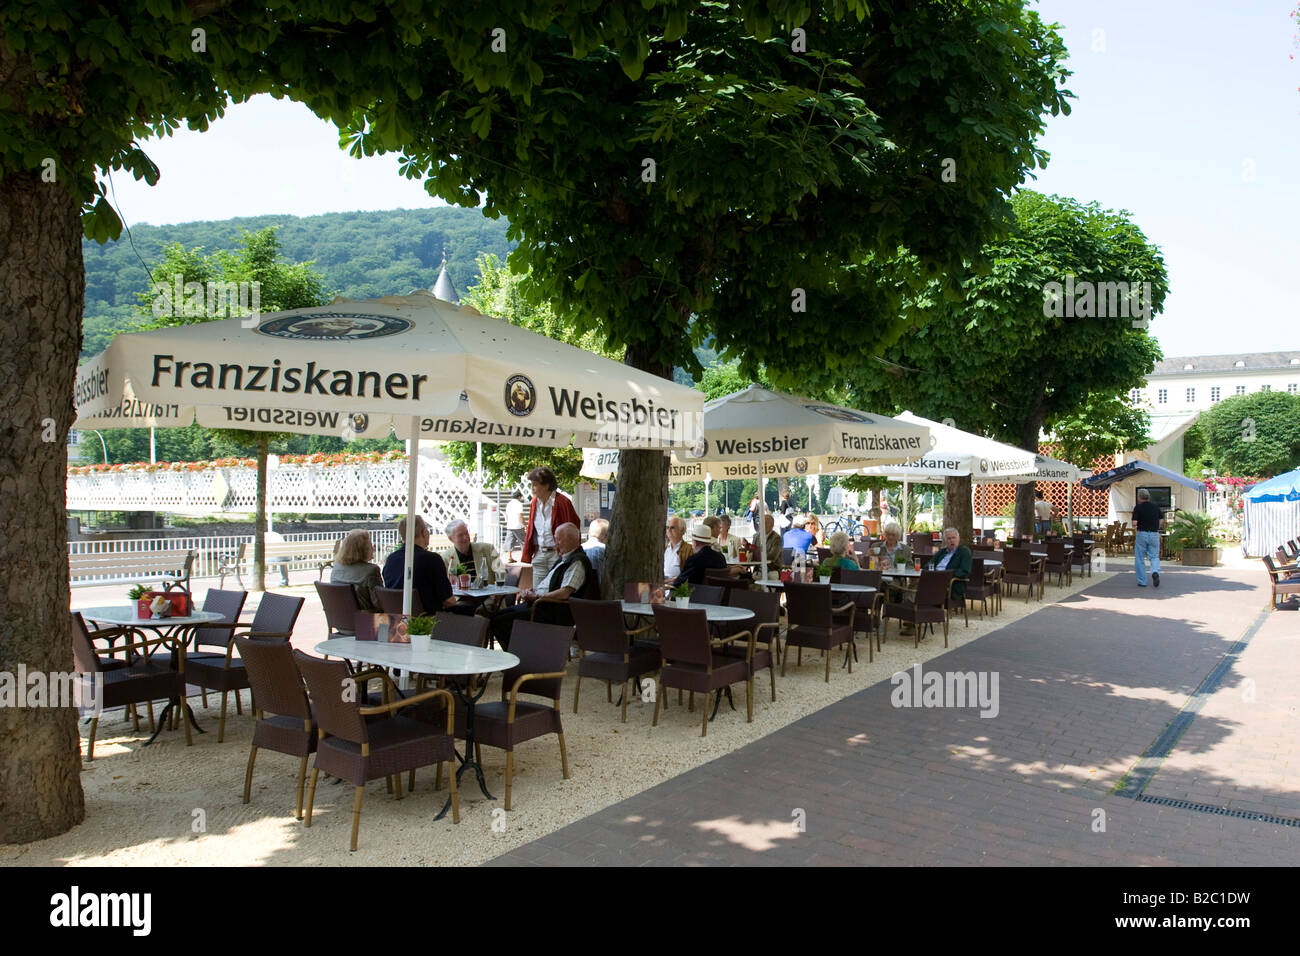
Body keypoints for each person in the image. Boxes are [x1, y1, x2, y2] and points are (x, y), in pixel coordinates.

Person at [491, 523, 597, 648]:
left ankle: (520, 657)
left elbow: (564, 593)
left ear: (571, 539)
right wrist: (531, 591)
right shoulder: (564, 559)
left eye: (558, 539)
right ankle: (517, 654)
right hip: (540, 604)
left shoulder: (578, 562)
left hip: (552, 612)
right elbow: (550, 584)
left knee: (501, 622)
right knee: (496, 617)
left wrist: (536, 597)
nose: (556, 543)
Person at [381, 515, 464, 615]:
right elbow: (449, 601)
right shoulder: (432, 559)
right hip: (430, 622)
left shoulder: (391, 559)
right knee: (478, 615)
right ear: (423, 533)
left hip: (398, 622)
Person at [521, 466, 580, 589]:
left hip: (556, 554)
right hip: (540, 554)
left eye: (535, 485)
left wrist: (566, 553)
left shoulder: (562, 502)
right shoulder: (534, 502)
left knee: (554, 590)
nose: (532, 489)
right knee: (537, 592)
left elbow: (572, 527)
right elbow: (533, 529)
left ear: (547, 486)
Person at [438, 518, 506, 584]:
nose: (466, 537)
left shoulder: (488, 549)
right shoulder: (445, 558)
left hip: (487, 594)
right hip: (460, 595)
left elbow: (501, 570)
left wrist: (498, 591)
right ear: (451, 539)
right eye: (460, 535)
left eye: (466, 533)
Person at [330, 529, 383, 613]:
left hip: (341, 620)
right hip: (367, 620)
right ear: (363, 549)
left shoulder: (336, 568)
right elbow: (379, 603)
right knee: (402, 620)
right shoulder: (371, 570)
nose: (373, 548)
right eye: (370, 545)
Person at [1131, 488, 1166, 588]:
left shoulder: (1138, 507)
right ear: (1148, 497)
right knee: (1154, 556)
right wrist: (1156, 526)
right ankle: (1155, 571)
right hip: (1154, 534)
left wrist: (1136, 526)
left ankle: (1142, 581)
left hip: (1142, 533)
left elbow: (1134, 523)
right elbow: (1161, 519)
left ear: (1139, 497)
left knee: (1140, 558)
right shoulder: (1155, 507)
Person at [926, 527, 972, 598]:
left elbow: (964, 571)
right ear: (945, 541)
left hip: (952, 583)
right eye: (949, 538)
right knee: (918, 584)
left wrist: (946, 574)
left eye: (954, 538)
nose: (951, 541)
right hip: (934, 577)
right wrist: (933, 572)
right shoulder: (942, 552)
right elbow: (929, 564)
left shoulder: (964, 552)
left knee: (926, 587)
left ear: (958, 539)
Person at [663, 515, 692, 581]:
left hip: (677, 586)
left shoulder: (689, 549)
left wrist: (674, 580)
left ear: (682, 530)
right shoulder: (664, 548)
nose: (669, 530)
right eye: (668, 527)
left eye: (672, 528)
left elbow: (688, 573)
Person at [504, 490, 526, 561]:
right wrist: (525, 525)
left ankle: (509, 557)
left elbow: (506, 515)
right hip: (518, 526)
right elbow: (520, 515)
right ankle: (524, 557)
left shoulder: (508, 504)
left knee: (510, 541)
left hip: (510, 526)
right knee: (523, 541)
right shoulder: (519, 504)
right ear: (519, 497)